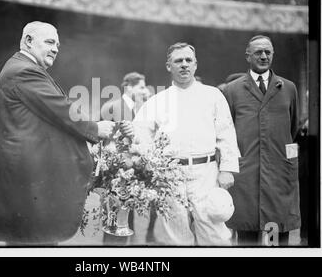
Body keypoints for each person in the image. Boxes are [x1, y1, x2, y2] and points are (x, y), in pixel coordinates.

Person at [0, 21, 115, 245]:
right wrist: (96, 128)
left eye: (58, 44)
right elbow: (61, 109)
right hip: (29, 182)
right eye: (49, 42)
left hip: (26, 180)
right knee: (34, 242)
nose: (55, 48)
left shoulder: (20, 68)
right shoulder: (24, 71)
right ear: (28, 41)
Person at [133, 42, 240, 246]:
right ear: (168, 66)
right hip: (170, 175)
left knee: (215, 234)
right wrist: (149, 168)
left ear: (196, 64)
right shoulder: (158, 100)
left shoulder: (213, 95)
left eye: (188, 60)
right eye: (178, 61)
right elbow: (140, 134)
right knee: (176, 237)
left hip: (206, 172)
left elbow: (226, 134)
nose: (184, 65)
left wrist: (227, 169)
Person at [222, 35, 300, 246]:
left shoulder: (288, 88)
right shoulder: (232, 90)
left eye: (268, 52)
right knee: (246, 238)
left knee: (275, 239)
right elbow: (227, 134)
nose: (264, 56)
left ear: (273, 54)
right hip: (247, 177)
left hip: (278, 177)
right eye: (258, 52)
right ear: (248, 56)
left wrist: (283, 158)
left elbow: (292, 130)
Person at [100, 72, 157, 245]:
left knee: (127, 218)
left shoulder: (139, 108)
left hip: (133, 171)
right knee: (116, 221)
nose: (144, 90)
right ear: (128, 87)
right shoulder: (114, 106)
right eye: (140, 87)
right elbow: (102, 137)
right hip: (116, 173)